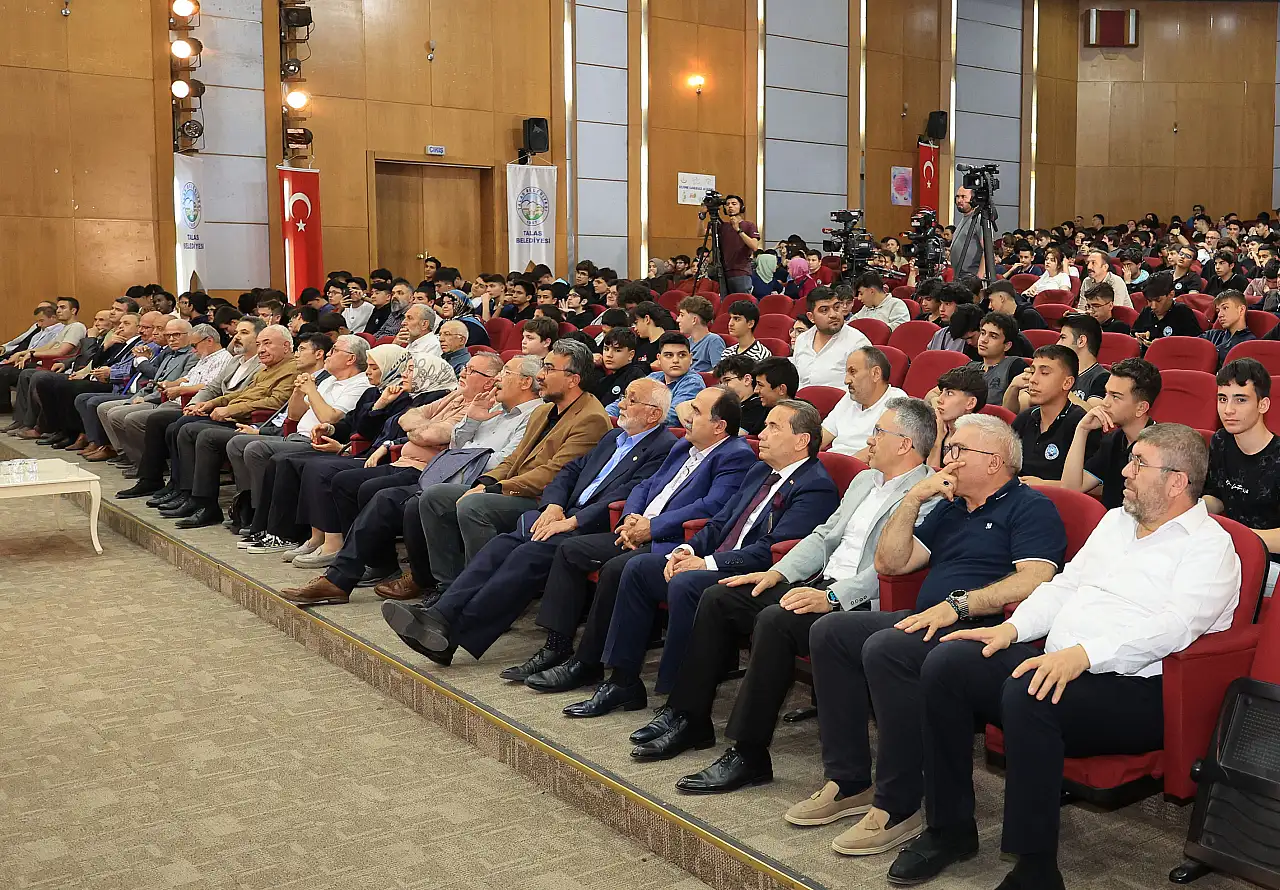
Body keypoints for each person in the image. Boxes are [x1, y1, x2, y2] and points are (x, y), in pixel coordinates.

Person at [901, 423, 1239, 890]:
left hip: (1139, 692)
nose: (1125, 471)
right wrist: (1010, 629)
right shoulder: (1116, 522)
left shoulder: (1211, 547)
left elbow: (1174, 628)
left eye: (1139, 463)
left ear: (1177, 481)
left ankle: (1036, 869)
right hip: (1061, 663)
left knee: (1031, 693)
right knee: (949, 664)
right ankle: (949, 829)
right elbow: (1064, 586)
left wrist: (1084, 655)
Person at [788, 414, 1064, 858]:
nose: (948, 459)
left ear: (994, 462)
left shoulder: (1030, 507)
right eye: (948, 449)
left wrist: (961, 605)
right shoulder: (952, 507)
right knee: (831, 632)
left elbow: (1036, 579)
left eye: (958, 450)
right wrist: (914, 499)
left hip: (980, 630)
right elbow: (891, 563)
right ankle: (849, 780)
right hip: (927, 618)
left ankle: (898, 805)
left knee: (886, 647)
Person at [637, 399, 937, 781]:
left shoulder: (926, 495)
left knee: (775, 620)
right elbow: (824, 536)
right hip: (816, 582)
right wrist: (776, 573)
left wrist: (833, 598)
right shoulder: (865, 480)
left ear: (905, 443)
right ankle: (690, 717)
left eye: (879, 432)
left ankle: (749, 753)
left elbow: (892, 567)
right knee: (720, 597)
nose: (870, 439)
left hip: (857, 602)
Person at [561, 399, 840, 717]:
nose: (761, 434)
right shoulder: (761, 470)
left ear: (801, 441)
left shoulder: (815, 487)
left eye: (773, 427)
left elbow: (771, 549)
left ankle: (677, 702)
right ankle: (623, 682)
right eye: (764, 426)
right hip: (716, 560)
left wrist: (707, 563)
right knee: (638, 567)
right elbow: (720, 522)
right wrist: (687, 550)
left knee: (687, 583)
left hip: (753, 573)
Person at [381, 379, 679, 666]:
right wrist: (554, 506)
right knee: (502, 545)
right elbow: (569, 471)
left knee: (527, 554)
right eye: (624, 397)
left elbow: (629, 493)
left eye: (631, 400)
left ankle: (451, 636)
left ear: (653, 414)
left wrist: (573, 521)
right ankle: (440, 615)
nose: (621, 404)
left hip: (595, 525)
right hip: (563, 513)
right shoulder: (614, 437)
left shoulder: (662, 447)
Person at [515, 387, 757, 693]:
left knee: (616, 568)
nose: (687, 417)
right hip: (637, 529)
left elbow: (710, 507)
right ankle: (557, 645)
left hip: (672, 540)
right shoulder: (684, 445)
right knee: (571, 549)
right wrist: (631, 518)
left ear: (719, 426)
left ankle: (588, 664)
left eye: (696, 412)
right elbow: (645, 485)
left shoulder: (735, 456)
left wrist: (652, 527)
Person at [415, 340, 611, 593]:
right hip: (515, 488)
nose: (540, 376)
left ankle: (481, 592)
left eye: (549, 369)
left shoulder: (591, 418)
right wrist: (486, 482)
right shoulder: (544, 411)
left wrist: (496, 488)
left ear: (573, 379)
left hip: (545, 501)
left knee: (473, 506)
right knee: (435, 497)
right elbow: (515, 458)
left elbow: (554, 474)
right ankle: (448, 586)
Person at [155, 326, 298, 525]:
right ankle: (190, 495)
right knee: (184, 427)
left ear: (286, 346)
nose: (261, 350)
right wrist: (211, 403)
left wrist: (230, 410)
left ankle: (205, 504)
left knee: (201, 433)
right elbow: (241, 394)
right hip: (236, 416)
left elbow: (275, 402)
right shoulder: (267, 369)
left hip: (252, 423)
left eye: (267, 344)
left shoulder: (292, 369)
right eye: (259, 344)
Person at [1203, 358, 1280, 591]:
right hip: (1228, 551)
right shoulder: (1221, 441)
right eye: (1222, 399)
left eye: (1241, 399)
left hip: (1271, 564)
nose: (1228, 410)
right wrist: (1192, 509)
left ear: (1263, 405)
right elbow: (1217, 496)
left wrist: (1239, 538)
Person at [1059, 357, 1160, 509]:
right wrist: (1082, 430)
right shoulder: (1113, 440)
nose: (1105, 403)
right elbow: (1070, 489)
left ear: (1141, 408)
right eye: (1106, 393)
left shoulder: (1161, 449)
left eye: (1115, 396)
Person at [1003, 345, 1090, 482]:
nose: (1033, 380)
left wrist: (1045, 485)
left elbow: (1094, 486)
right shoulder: (1024, 419)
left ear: (1067, 383)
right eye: (1032, 372)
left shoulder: (1082, 424)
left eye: (1044, 373)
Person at [821, 348, 907, 460]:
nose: (846, 380)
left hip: (862, 467)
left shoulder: (896, 400)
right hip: (833, 462)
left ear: (876, 373)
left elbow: (882, 449)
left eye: (852, 372)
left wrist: (841, 467)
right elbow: (823, 436)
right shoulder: (849, 397)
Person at [609, 332, 704, 426]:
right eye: (669, 355)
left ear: (690, 358)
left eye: (682, 355)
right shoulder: (653, 377)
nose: (675, 360)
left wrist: (630, 418)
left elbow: (670, 418)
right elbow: (623, 401)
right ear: (659, 358)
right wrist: (607, 416)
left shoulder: (693, 383)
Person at [791, 287, 871, 388]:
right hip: (800, 397)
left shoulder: (857, 343)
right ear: (811, 317)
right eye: (824, 310)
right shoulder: (802, 340)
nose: (833, 315)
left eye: (837, 307)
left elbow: (863, 389)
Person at [927, 365, 986, 468]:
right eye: (941, 393)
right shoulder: (934, 428)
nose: (939, 400)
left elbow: (936, 478)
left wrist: (936, 445)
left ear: (970, 403)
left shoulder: (976, 445)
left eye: (949, 393)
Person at [966, 312, 1027, 405]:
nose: (984, 340)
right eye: (983, 333)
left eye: (993, 336)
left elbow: (1021, 406)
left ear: (1007, 346)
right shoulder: (970, 367)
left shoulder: (1015, 366)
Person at [1131, 272, 1202, 346]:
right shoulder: (1146, 311)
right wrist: (1139, 338)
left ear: (1171, 294)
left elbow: (1196, 344)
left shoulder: (1183, 313)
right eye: (1149, 301)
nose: (1153, 306)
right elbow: (1133, 334)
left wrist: (1165, 344)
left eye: (1158, 300)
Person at [1056, 313, 1109, 406]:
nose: (1058, 344)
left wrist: (1059, 392)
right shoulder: (1058, 372)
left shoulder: (1103, 378)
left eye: (1063, 338)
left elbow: (1094, 411)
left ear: (1081, 341)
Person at [716, 195, 762, 295]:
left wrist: (738, 229)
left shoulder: (749, 225)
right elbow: (701, 233)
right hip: (724, 273)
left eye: (734, 204)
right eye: (727, 204)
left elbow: (754, 246)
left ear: (741, 207)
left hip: (741, 272)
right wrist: (701, 215)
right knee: (726, 302)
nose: (730, 206)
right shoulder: (723, 226)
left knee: (743, 301)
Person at [590, 328, 647, 406]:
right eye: (606, 349)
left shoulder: (636, 379)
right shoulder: (603, 381)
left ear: (631, 355)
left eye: (617, 350)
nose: (609, 355)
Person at [713, 354, 766, 436]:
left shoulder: (758, 406)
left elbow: (734, 437)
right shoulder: (729, 405)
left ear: (747, 380)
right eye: (720, 382)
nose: (722, 386)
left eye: (727, 380)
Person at [1201, 290, 1254, 367]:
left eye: (1225, 308)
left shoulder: (1249, 343)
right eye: (1218, 311)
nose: (1220, 315)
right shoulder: (1212, 335)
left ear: (1241, 310)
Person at [677, 295, 726, 373]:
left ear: (694, 320)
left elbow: (720, 372)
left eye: (682, 315)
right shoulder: (687, 342)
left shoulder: (713, 341)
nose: (678, 320)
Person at [949, 186, 984, 277]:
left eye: (963, 197)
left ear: (973, 200)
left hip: (970, 276)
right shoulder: (964, 219)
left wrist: (979, 276)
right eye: (957, 197)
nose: (959, 200)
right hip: (958, 274)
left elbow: (987, 251)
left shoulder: (979, 219)